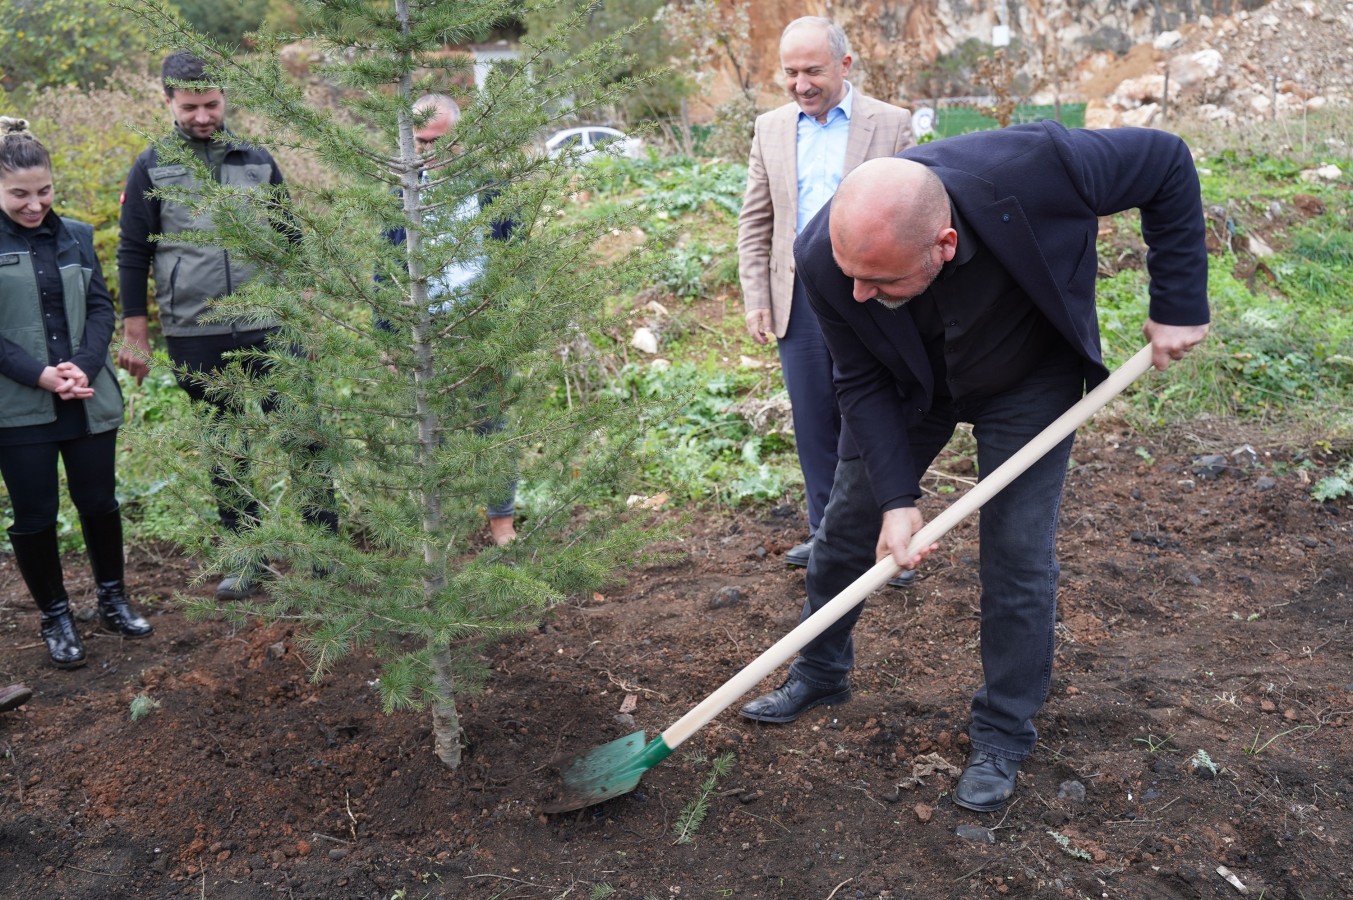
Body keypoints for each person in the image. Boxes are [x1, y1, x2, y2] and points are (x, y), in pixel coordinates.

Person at [739, 121, 1211, 813]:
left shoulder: (1042, 166)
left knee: (1017, 555)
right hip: (908, 383)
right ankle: (819, 669)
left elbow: (1166, 161)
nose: (860, 294)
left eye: (881, 279)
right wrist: (898, 499)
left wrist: (1176, 302)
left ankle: (1002, 733)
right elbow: (859, 382)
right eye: (853, 280)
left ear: (944, 243)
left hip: (1028, 376)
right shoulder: (826, 257)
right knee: (846, 527)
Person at [117, 52, 338, 596]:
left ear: (225, 99)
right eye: (189, 106)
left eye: (211, 104)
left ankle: (327, 555)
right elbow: (132, 250)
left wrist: (303, 312)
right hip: (196, 330)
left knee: (303, 437)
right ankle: (247, 560)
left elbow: (291, 240)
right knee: (226, 446)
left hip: (271, 324)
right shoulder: (152, 166)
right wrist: (136, 328)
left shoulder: (258, 160)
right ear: (167, 101)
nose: (201, 116)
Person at [737, 17, 914, 577]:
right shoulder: (770, 128)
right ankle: (829, 540)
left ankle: (893, 541)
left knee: (876, 419)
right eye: (790, 72)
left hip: (874, 296)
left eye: (812, 70)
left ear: (844, 65)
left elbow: (919, 208)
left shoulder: (891, 123)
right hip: (800, 299)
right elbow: (756, 219)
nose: (800, 84)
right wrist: (756, 295)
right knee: (814, 422)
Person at [0, 118, 153, 669]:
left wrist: (83, 366)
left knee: (99, 501)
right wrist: (41, 375)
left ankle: (112, 599)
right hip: (17, 406)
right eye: (19, 194)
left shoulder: (77, 236)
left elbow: (100, 306)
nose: (34, 204)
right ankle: (56, 616)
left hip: (84, 395)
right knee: (36, 515)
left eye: (43, 191)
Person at [384, 93, 518, 545]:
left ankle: (502, 524)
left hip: (483, 327)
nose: (432, 151)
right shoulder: (399, 193)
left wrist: (510, 322)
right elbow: (385, 266)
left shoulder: (490, 189)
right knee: (428, 432)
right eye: (421, 142)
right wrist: (389, 338)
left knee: (493, 428)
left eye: (442, 141)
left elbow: (514, 257)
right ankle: (439, 529)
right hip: (426, 333)